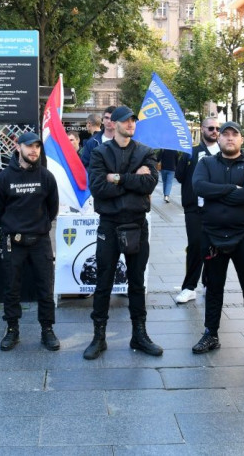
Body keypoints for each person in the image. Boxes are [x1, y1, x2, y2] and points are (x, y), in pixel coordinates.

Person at [83, 105, 162, 360]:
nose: (130, 124)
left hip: (137, 223)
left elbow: (149, 182)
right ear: (113, 123)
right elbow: (97, 187)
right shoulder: (100, 152)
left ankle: (139, 335)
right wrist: (131, 180)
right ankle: (99, 336)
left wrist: (116, 178)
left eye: (133, 121)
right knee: (104, 280)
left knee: (137, 282)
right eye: (125, 121)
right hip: (109, 224)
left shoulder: (146, 151)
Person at [191, 121, 244, 364]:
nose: (229, 138)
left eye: (234, 135)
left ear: (242, 140)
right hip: (212, 234)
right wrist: (230, 189)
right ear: (219, 140)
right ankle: (210, 333)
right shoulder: (206, 163)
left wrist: (218, 193)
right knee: (213, 287)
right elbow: (199, 187)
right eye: (225, 135)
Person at [0, 132, 60, 351]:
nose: (34, 151)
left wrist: (39, 226)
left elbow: (53, 208)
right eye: (29, 146)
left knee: (45, 288)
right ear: (18, 147)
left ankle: (47, 330)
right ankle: (12, 329)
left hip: (40, 241)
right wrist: (13, 226)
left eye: (37, 147)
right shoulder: (4, 178)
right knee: (11, 288)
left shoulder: (46, 177)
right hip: (14, 241)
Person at [173, 117, 221, 304]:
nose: (214, 131)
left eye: (217, 128)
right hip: (194, 207)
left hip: (216, 207)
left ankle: (209, 283)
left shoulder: (223, 153)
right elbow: (179, 176)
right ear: (202, 129)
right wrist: (184, 157)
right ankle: (189, 287)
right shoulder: (191, 152)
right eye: (211, 128)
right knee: (195, 244)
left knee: (214, 246)